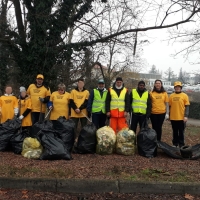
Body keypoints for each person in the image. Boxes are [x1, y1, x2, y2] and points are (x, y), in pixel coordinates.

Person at [168, 81, 190, 148]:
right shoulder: (171, 96)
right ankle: (175, 144)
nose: (177, 88)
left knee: (181, 132)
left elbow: (187, 106)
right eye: (176, 87)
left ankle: (181, 144)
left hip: (181, 117)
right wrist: (169, 115)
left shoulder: (184, 95)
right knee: (174, 131)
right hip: (173, 117)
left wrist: (186, 116)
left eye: (179, 87)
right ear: (174, 88)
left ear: (181, 88)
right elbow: (170, 106)